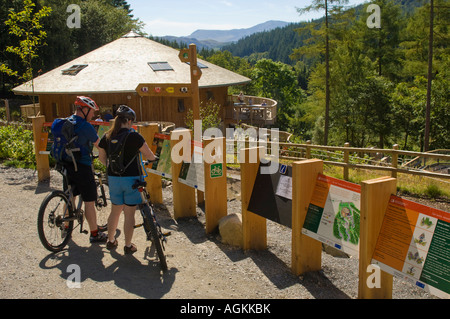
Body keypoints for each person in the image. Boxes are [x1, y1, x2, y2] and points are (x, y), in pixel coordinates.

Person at [97, 105, 156, 254]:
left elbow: (102, 158)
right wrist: (153, 158)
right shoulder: (134, 136)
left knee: (115, 211)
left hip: (113, 179)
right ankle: (128, 245)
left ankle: (110, 241)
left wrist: (113, 168)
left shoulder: (107, 136)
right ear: (129, 121)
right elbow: (149, 155)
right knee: (129, 214)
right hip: (132, 180)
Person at [61, 96, 107, 243]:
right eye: (92, 111)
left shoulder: (66, 122)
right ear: (84, 109)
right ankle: (95, 234)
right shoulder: (86, 126)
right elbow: (99, 145)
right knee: (89, 201)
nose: (93, 115)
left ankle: (66, 225)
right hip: (82, 166)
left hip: (66, 164)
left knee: (69, 196)